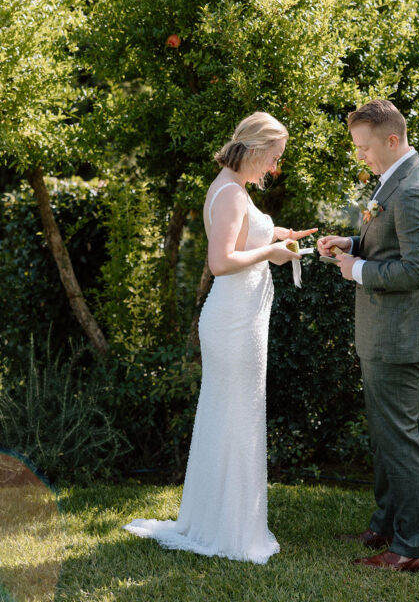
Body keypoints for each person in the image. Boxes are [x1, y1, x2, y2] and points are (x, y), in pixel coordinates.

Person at [124, 111, 317, 564]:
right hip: (232, 321)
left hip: (240, 318)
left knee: (235, 416)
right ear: (255, 149)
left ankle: (221, 519)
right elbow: (220, 261)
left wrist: (282, 234)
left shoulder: (234, 188)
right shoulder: (230, 192)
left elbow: (245, 237)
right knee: (236, 417)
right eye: (274, 158)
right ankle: (229, 531)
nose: (275, 168)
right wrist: (271, 251)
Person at [318, 99, 419, 574]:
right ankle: (384, 525)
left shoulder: (416, 190)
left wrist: (358, 270)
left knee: (400, 439)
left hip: (398, 335)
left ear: (392, 140)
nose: (361, 157)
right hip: (381, 332)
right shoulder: (395, 180)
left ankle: (411, 547)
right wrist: (349, 245)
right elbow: (387, 243)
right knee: (385, 437)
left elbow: (415, 270)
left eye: (365, 147)